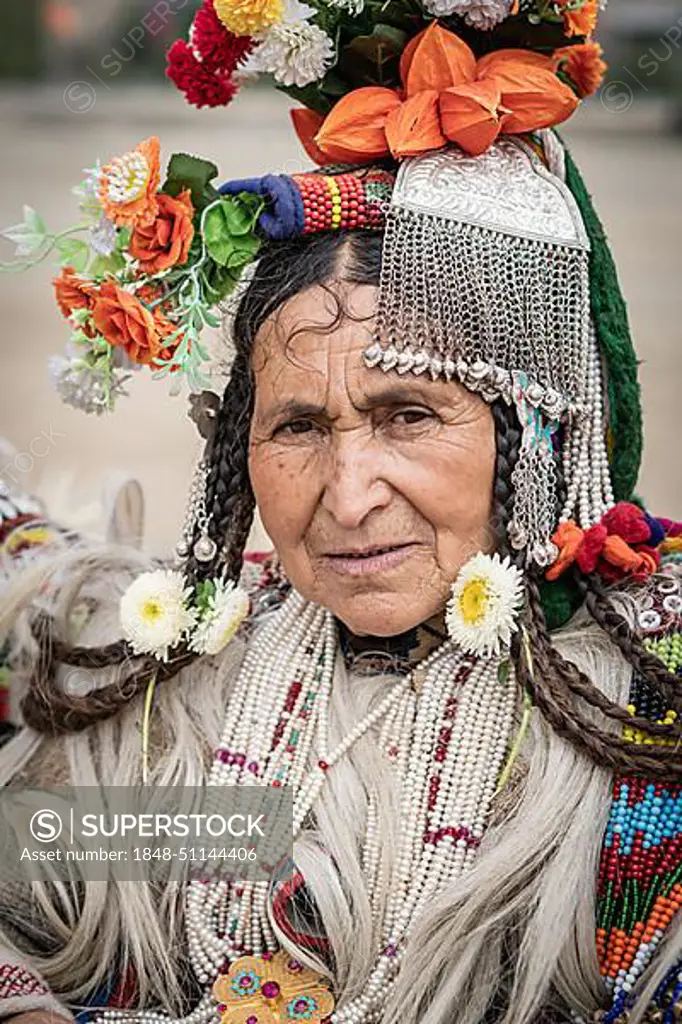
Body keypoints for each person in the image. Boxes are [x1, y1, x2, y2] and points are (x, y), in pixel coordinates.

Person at [0, 1, 680, 1023]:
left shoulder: (638, 728)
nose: (348, 495)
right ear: (237, 453)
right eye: (299, 428)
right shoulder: (184, 713)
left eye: (409, 414)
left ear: (530, 429)